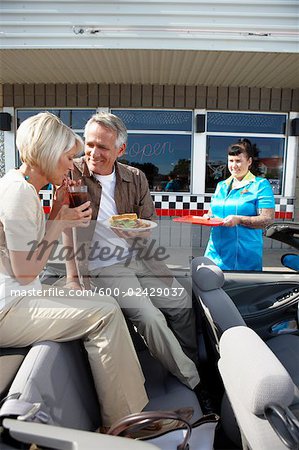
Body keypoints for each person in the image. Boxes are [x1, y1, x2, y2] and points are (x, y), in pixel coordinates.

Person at [0, 112, 150, 428]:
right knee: (106, 313)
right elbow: (26, 271)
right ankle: (127, 423)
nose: (73, 165)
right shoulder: (18, 193)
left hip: (21, 298)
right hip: (8, 309)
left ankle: (129, 409)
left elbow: (28, 254)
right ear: (47, 153)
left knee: (105, 304)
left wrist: (57, 210)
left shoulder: (22, 186)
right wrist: (59, 224)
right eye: (68, 157)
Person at [66, 111, 200, 391]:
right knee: (150, 318)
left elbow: (147, 222)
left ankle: (188, 361)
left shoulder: (135, 177)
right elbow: (66, 226)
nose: (93, 152)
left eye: (102, 146)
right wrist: (74, 277)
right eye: (89, 144)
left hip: (141, 258)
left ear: (120, 149)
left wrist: (136, 231)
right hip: (105, 266)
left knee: (181, 304)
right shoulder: (72, 172)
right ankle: (195, 383)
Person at [204, 138, 275, 271]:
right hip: (215, 252)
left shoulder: (260, 185)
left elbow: (267, 219)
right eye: (231, 161)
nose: (234, 165)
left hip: (243, 254)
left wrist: (239, 219)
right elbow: (212, 213)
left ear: (249, 161)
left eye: (238, 161)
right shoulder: (221, 185)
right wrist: (207, 217)